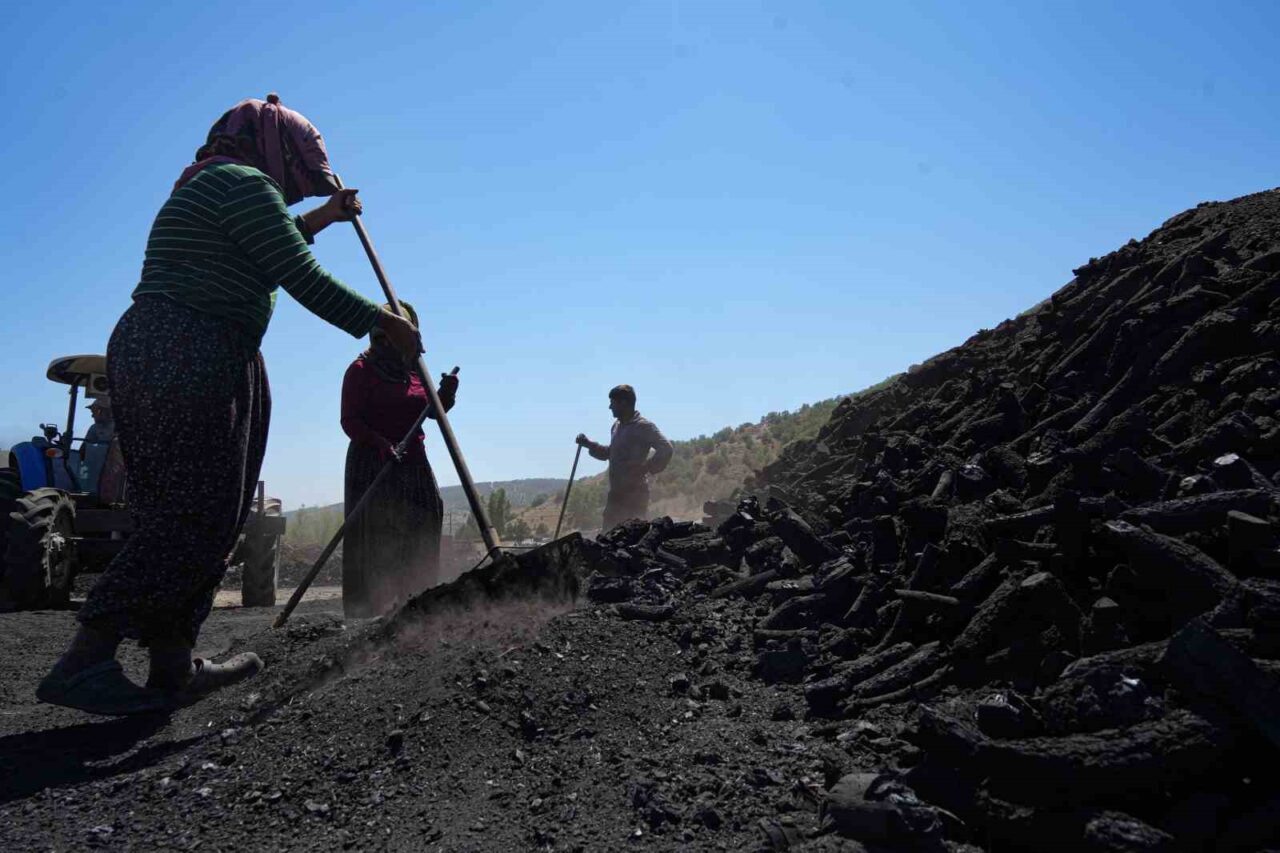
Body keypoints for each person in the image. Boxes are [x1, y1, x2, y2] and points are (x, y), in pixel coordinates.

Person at [37, 94, 422, 717]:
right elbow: (296, 271)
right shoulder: (241, 182)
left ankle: (172, 663)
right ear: (277, 148)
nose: (300, 183)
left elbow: (276, 242)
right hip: (191, 346)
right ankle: (86, 658)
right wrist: (382, 323)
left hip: (180, 345)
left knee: (205, 511)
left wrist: (324, 215)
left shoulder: (219, 184)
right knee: (193, 511)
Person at [340, 301, 458, 618]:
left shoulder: (414, 370)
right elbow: (349, 421)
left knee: (427, 515)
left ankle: (416, 602)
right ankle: (370, 611)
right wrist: (380, 443)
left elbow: (432, 412)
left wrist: (446, 395)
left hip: (413, 462)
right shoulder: (360, 370)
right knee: (378, 533)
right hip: (373, 463)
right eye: (383, 337)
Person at [576, 385, 673, 531]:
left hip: (634, 495)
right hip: (616, 495)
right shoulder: (616, 426)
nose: (610, 407)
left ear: (623, 403)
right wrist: (589, 444)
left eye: (612, 403)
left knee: (630, 538)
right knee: (608, 537)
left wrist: (645, 468)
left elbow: (666, 448)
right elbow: (610, 453)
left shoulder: (643, 426)